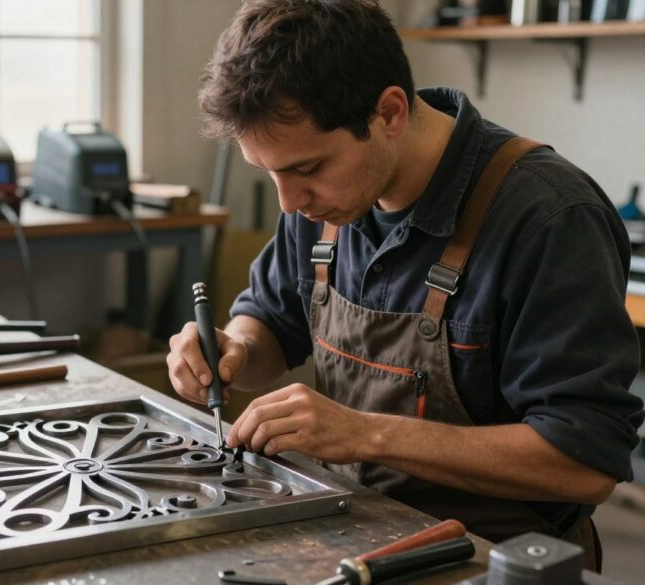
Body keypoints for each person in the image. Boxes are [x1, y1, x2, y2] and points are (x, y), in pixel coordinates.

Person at [166, 0, 644, 570]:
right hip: (349, 542)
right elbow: (271, 320)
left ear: (389, 112)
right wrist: (235, 350)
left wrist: (366, 434)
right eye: (269, 173)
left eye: (307, 169)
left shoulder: (548, 218)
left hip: (494, 561)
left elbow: (584, 464)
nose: (288, 202)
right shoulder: (321, 202)